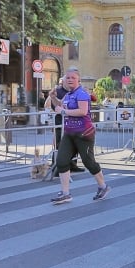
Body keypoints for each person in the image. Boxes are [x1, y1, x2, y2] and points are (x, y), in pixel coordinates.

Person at [50, 68, 111, 204]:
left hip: (84, 134)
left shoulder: (82, 94)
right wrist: (53, 98)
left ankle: (103, 187)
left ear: (78, 80)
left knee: (89, 162)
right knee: (61, 161)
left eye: (73, 78)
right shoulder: (68, 95)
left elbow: (83, 111)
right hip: (69, 133)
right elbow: (59, 106)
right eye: (67, 78)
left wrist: (63, 112)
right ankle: (65, 193)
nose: (70, 80)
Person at [44, 78, 84, 174]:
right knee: (59, 145)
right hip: (60, 123)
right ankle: (56, 166)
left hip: (73, 122)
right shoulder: (58, 91)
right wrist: (52, 98)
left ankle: (72, 164)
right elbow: (50, 105)